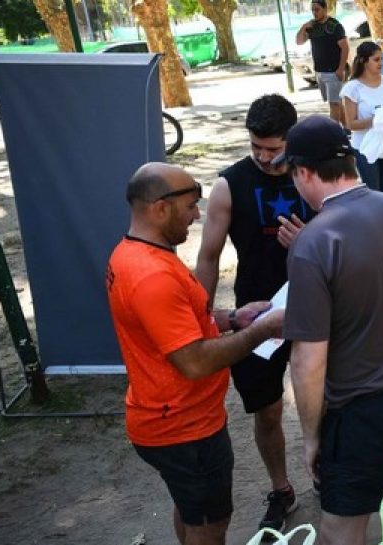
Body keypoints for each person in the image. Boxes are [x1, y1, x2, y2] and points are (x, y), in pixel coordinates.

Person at [276, 115, 383, 544]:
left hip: (361, 408)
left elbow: (308, 360)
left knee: (341, 526)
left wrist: (312, 438)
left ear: (303, 172)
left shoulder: (313, 243)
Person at [107, 162, 284, 545]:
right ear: (160, 208)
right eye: (190, 206)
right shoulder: (152, 276)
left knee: (191, 510)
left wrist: (235, 317)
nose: (197, 215)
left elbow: (179, 325)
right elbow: (195, 360)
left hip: (171, 420)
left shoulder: (136, 254)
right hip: (185, 429)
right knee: (209, 525)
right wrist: (263, 329)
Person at [194, 94, 312, 534]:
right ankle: (281, 488)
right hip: (255, 316)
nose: (264, 157)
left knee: (329, 397)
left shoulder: (312, 173)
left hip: (316, 305)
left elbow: (349, 236)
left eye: (274, 148)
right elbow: (208, 257)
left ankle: (328, 472)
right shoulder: (230, 184)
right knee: (266, 411)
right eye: (256, 147)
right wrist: (202, 319)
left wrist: (311, 237)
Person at [341, 41, 383, 194]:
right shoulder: (352, 88)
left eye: (382, 59)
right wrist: (376, 121)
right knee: (373, 192)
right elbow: (350, 124)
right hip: (365, 148)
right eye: (376, 59)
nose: (381, 63)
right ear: (363, 61)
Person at [295, 0, 349, 127]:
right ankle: (347, 127)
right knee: (336, 101)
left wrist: (341, 69)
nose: (314, 12)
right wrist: (303, 27)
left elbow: (345, 48)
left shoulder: (335, 26)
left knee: (334, 104)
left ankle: (333, 134)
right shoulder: (312, 27)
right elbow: (299, 41)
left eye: (317, 9)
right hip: (319, 71)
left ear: (325, 9)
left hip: (333, 71)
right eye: (312, 10)